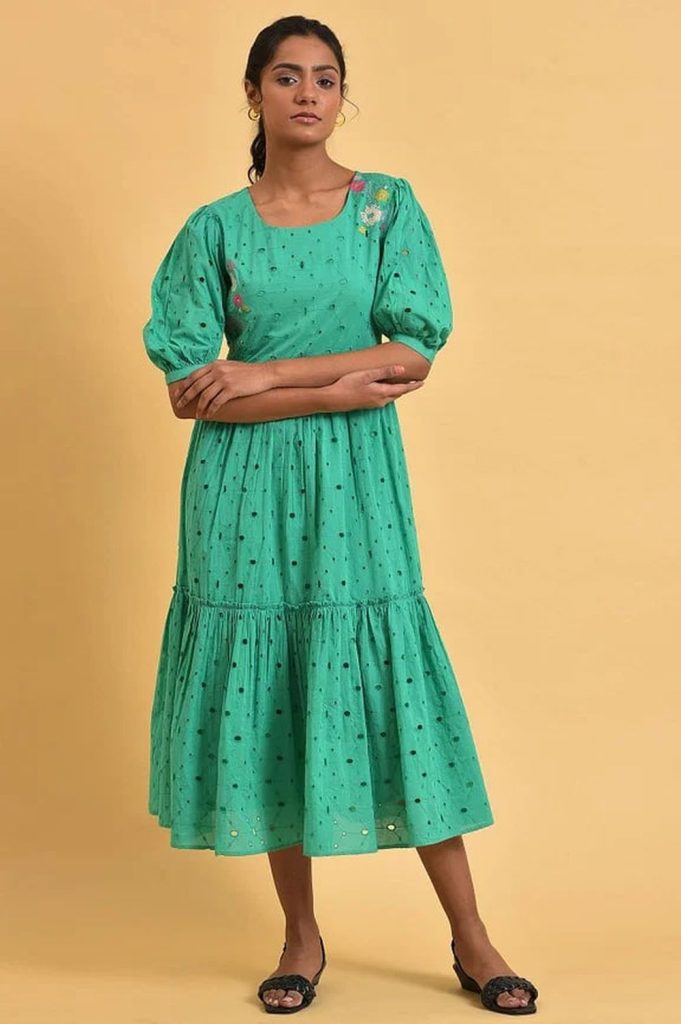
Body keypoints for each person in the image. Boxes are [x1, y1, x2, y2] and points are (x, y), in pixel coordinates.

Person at [141, 14, 539, 1018]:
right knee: (269, 689)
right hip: (238, 490)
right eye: (286, 77)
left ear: (342, 95)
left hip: (356, 483)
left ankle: (472, 936)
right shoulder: (213, 230)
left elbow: (410, 355)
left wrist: (264, 373)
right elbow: (191, 390)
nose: (307, 93)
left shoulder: (384, 209)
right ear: (254, 95)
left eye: (325, 78)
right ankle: (300, 935)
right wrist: (324, 387)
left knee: (389, 677)